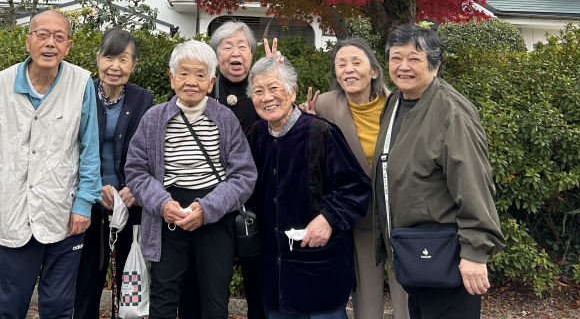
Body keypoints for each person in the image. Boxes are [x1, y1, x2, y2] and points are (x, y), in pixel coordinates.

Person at [373, 25, 505, 319]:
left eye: (414, 58)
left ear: (435, 64)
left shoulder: (451, 112)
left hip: (446, 254)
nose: (403, 66)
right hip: (413, 251)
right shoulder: (395, 102)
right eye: (396, 58)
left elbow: (473, 185)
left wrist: (475, 252)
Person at [0, 10, 100, 319]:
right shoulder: (1, 84)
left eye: (59, 37)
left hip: (63, 210)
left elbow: (89, 148)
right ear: (28, 40)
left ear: (68, 45)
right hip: (14, 210)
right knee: (9, 305)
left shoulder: (81, 83)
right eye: (42, 35)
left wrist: (84, 203)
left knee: (59, 306)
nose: (50, 43)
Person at [125, 40, 257, 319]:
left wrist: (208, 208)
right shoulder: (153, 119)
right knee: (163, 298)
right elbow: (136, 170)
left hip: (214, 212)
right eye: (184, 73)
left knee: (214, 300)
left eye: (200, 75)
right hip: (168, 213)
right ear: (172, 79)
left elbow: (244, 175)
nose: (191, 82)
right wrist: (161, 203)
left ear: (211, 83)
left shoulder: (225, 119)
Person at [247, 53, 371, 319]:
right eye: (258, 91)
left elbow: (356, 187)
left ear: (292, 92)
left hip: (319, 266)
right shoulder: (256, 134)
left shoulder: (319, 132)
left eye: (274, 88)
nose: (266, 97)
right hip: (274, 268)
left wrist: (327, 218)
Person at [304, 39, 408, 319]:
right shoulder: (325, 104)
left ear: (374, 71)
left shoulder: (400, 103)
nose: (349, 69)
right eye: (341, 64)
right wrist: (306, 122)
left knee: (408, 295)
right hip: (358, 217)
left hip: (400, 215)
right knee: (365, 298)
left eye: (356, 62)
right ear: (336, 73)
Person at [74, 28, 154, 319]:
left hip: (130, 206)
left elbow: (152, 153)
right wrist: (96, 188)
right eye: (109, 57)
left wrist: (135, 187)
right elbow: (71, 150)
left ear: (133, 65)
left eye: (123, 59)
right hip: (88, 204)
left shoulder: (144, 100)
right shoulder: (81, 96)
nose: (115, 67)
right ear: (98, 59)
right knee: (85, 283)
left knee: (129, 280)